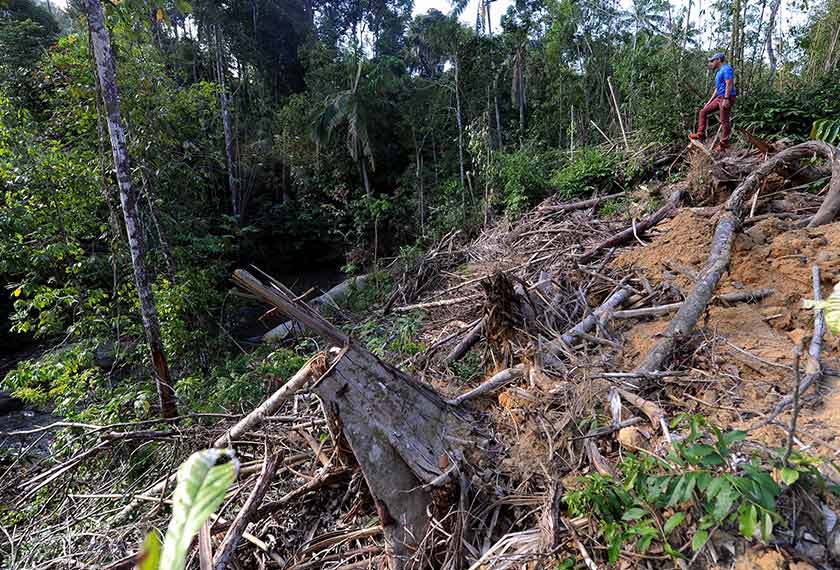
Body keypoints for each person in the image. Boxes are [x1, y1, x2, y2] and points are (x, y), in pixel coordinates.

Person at [689, 52, 736, 152]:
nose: (711, 63)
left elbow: (729, 84)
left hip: (726, 97)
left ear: (718, 60)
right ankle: (700, 134)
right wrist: (709, 102)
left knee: (724, 121)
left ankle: (723, 145)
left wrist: (727, 99)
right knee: (703, 111)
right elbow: (717, 89)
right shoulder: (719, 72)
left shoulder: (727, 69)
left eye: (712, 61)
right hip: (719, 97)